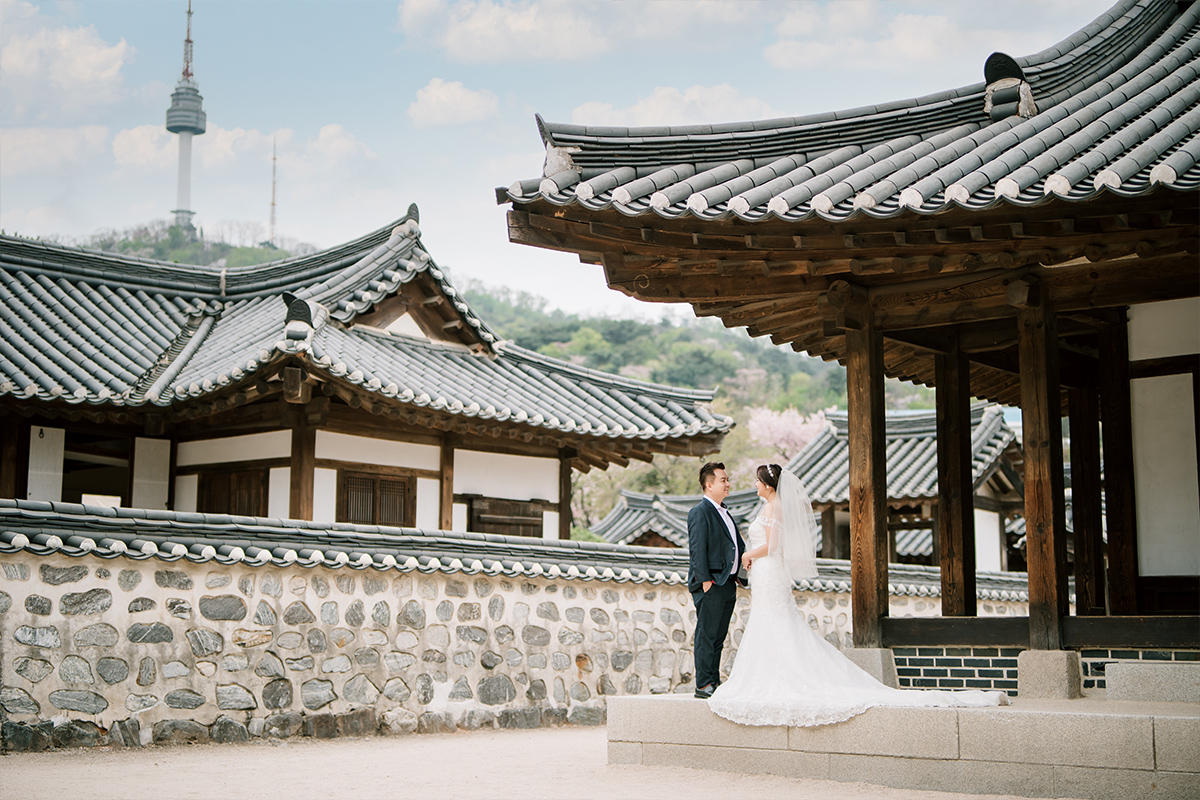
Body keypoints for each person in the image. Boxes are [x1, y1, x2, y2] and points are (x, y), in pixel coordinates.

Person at [707, 463, 1010, 727]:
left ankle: (780, 678)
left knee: (775, 620)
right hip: (767, 573)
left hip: (770, 569)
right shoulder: (768, 506)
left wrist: (749, 554)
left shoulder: (774, 507)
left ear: (769, 486)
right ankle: (770, 676)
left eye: (758, 481)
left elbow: (773, 545)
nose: (754, 485)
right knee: (771, 621)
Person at [687, 461, 746, 700]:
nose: (728, 483)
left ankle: (714, 680)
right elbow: (697, 549)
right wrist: (705, 581)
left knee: (719, 636)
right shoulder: (699, 512)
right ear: (709, 485)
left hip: (728, 582)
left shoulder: (726, 512)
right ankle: (703, 684)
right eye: (723, 480)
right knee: (706, 634)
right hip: (711, 583)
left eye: (727, 479)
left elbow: (734, 546)